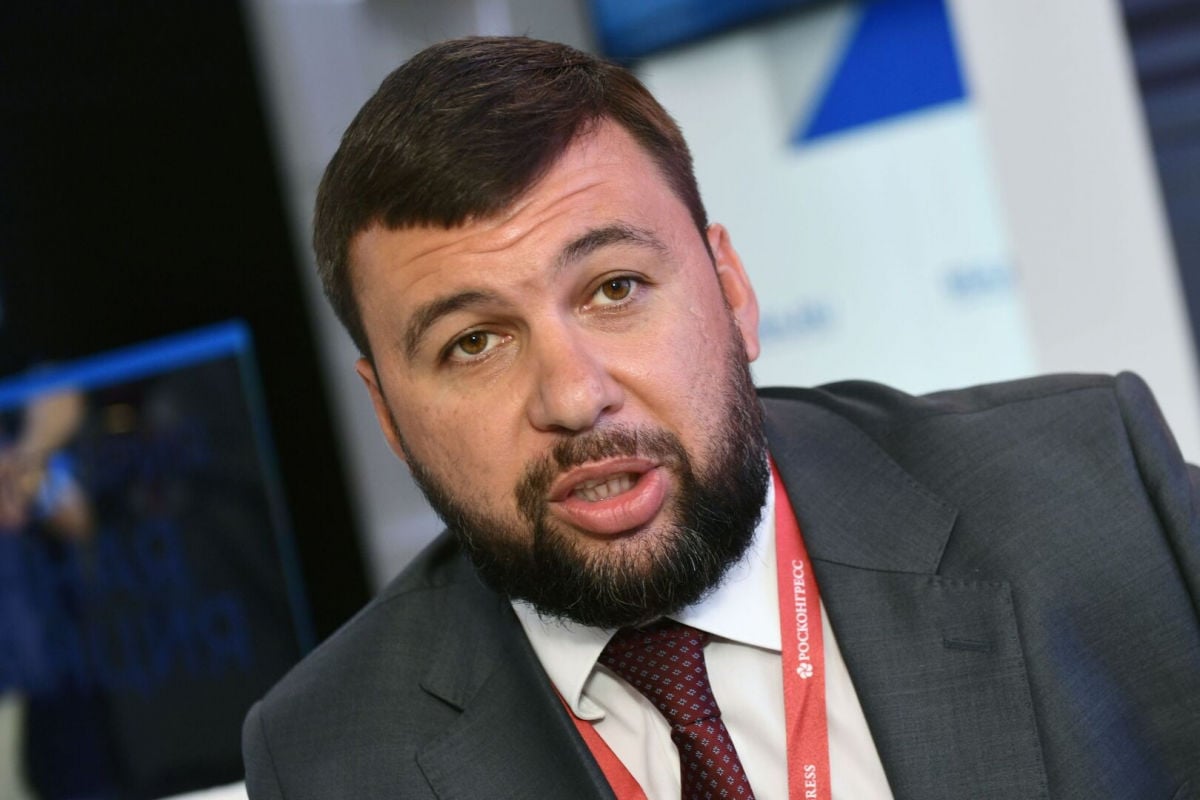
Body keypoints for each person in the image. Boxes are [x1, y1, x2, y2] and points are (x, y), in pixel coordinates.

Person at [242, 36, 1200, 799]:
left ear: (732, 290)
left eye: (615, 288)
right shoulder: (331, 755)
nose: (573, 398)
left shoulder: (1097, 496)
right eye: (474, 343)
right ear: (388, 415)